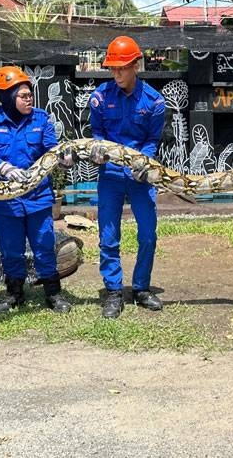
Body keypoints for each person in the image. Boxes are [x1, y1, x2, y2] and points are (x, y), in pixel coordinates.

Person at [0, 66, 73, 315]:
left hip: (37, 196)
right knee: (10, 248)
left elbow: (52, 148)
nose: (29, 99)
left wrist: (64, 157)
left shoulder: (40, 119)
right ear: (6, 96)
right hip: (6, 199)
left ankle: (53, 292)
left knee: (43, 243)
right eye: (23, 95)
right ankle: (14, 293)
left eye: (30, 95)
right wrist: (3, 167)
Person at [87, 36, 165, 319]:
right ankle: (113, 291)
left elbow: (153, 138)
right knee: (108, 236)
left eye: (122, 67)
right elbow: (97, 134)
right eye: (113, 68)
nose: (116, 73)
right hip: (109, 175)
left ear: (136, 65)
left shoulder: (155, 102)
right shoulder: (99, 98)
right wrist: (97, 150)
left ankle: (142, 288)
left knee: (147, 234)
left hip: (140, 175)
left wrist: (142, 162)